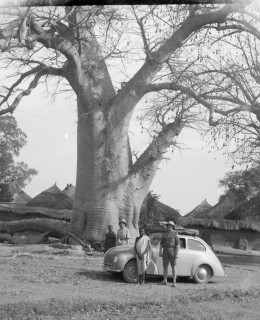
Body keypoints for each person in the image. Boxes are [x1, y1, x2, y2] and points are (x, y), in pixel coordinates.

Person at [159, 221, 180, 287]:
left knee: (173, 266)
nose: (169, 227)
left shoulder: (175, 233)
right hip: (165, 250)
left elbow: (177, 244)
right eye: (168, 225)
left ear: (173, 227)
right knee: (165, 266)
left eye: (171, 226)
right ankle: (165, 280)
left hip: (172, 250)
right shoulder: (164, 233)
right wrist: (160, 251)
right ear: (167, 226)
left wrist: (177, 253)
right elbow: (161, 243)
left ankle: (174, 281)